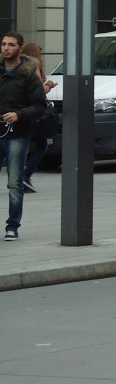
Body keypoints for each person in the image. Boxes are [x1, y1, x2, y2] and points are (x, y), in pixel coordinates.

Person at [0, 31, 48, 241]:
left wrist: (18, 114)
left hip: (17, 135)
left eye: (11, 45)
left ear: (20, 48)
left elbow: (39, 105)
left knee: (14, 182)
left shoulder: (28, 74)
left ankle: (12, 226)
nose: (6, 48)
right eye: (3, 44)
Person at [18, 42, 56, 193]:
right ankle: (24, 177)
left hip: (21, 112)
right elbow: (39, 92)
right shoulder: (34, 67)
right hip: (33, 113)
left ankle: (20, 177)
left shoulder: (19, 66)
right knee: (41, 146)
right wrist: (51, 85)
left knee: (22, 145)